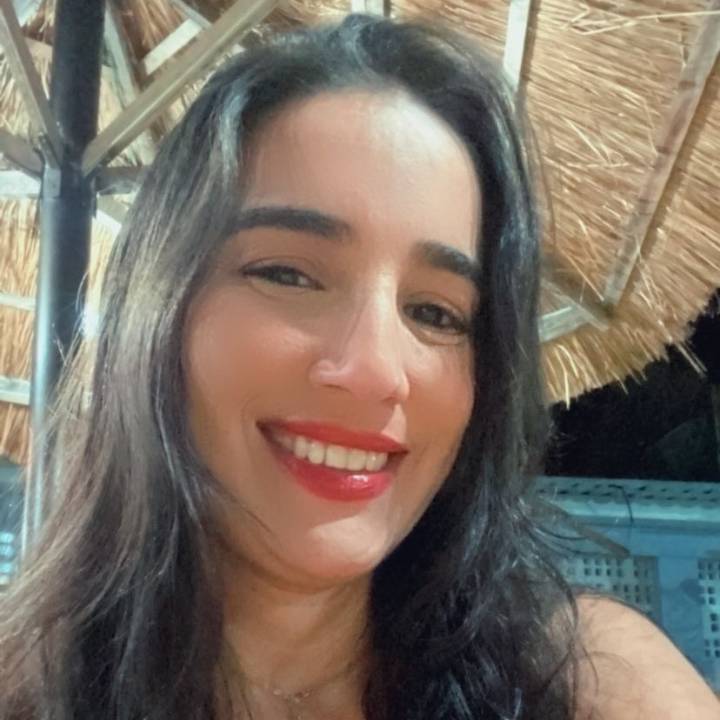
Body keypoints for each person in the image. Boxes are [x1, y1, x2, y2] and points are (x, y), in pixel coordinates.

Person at [1, 13, 718, 720]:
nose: (375, 370)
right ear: (157, 311)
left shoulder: (592, 687)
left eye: (436, 313)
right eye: (288, 274)